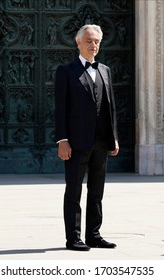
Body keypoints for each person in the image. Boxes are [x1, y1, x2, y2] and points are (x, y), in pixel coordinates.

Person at [55, 24, 119, 251]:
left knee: (97, 192)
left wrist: (114, 138)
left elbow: (110, 107)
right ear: (78, 43)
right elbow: (60, 109)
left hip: (101, 142)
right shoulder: (65, 71)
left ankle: (94, 234)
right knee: (73, 191)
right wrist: (62, 140)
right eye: (90, 41)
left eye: (97, 42)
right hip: (75, 142)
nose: (94, 45)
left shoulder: (105, 70)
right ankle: (73, 238)